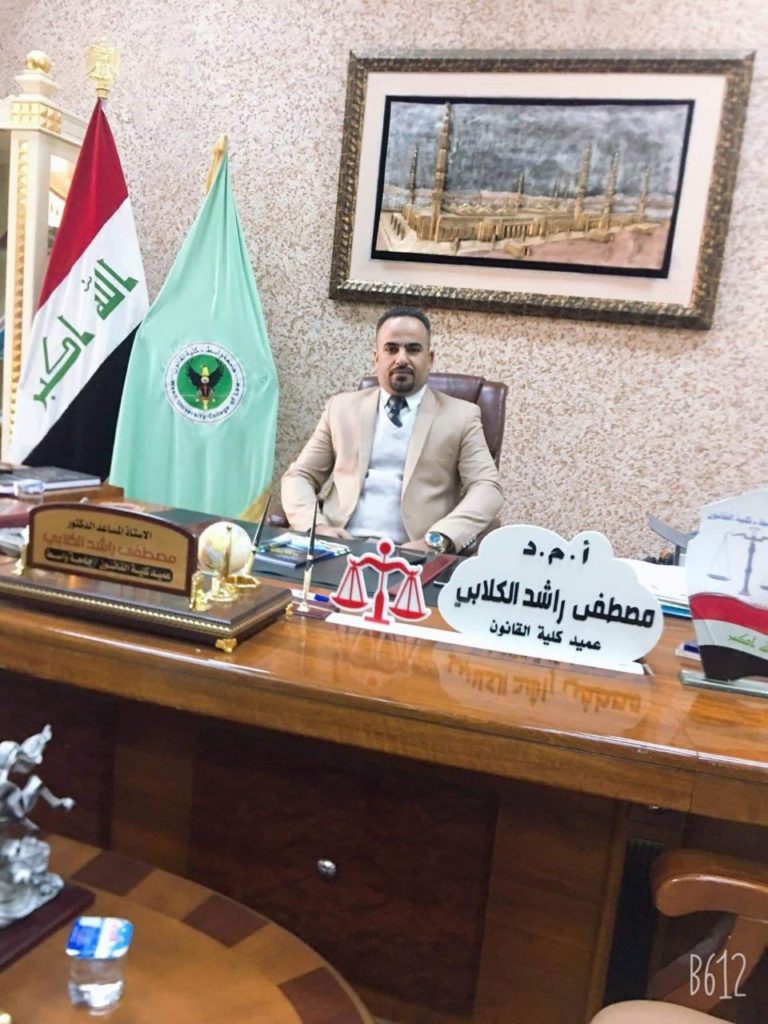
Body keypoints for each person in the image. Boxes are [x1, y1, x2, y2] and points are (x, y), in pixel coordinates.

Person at [281, 307, 503, 553]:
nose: (402, 359)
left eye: (413, 349)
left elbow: (487, 488)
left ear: (429, 359)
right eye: (391, 349)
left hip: (415, 554)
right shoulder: (341, 408)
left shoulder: (461, 416)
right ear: (376, 357)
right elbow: (299, 476)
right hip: (339, 548)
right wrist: (317, 527)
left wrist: (438, 539)